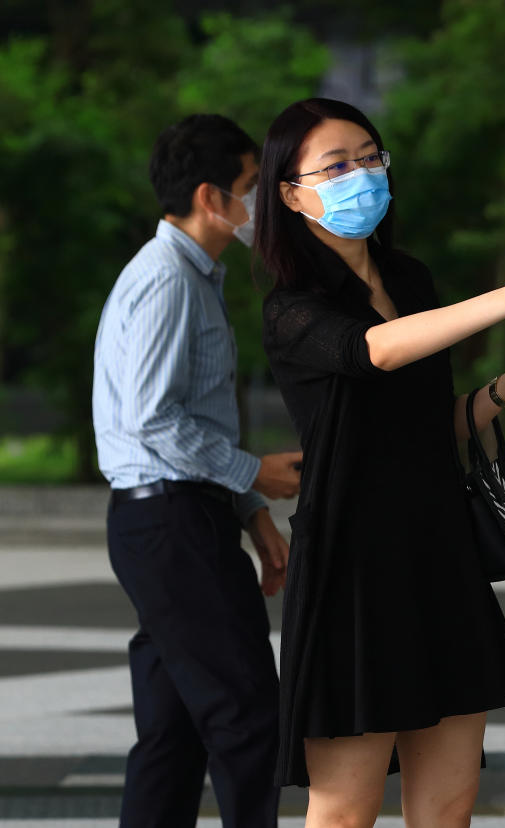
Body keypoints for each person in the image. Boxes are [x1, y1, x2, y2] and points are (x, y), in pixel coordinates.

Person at [255, 97, 505, 827]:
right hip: (353, 570)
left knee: (450, 807)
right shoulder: (293, 307)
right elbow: (373, 352)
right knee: (344, 812)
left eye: (370, 158)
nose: (360, 175)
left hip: (437, 557)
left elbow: (429, 425)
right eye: (336, 165)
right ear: (290, 192)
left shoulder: (411, 279)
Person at [92, 114, 304, 826]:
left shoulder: (193, 275)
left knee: (175, 730)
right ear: (212, 197)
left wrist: (251, 511)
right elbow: (153, 418)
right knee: (248, 718)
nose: (259, 204)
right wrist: (256, 472)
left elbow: (192, 415)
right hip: (171, 520)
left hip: (176, 516)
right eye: (251, 187)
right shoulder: (168, 282)